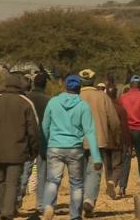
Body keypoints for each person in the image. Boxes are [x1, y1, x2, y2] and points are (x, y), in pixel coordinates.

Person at [42, 75, 102, 220]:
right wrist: (96, 156)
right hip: (75, 149)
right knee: (76, 183)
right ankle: (75, 215)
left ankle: (48, 206)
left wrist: (45, 144)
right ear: (79, 88)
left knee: (52, 180)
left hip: (55, 146)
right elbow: (90, 131)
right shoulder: (83, 106)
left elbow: (45, 125)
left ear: (65, 87)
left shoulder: (53, 102)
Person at [0, 73, 39, 220]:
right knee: (13, 182)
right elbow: (33, 130)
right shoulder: (25, 102)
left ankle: (1, 209)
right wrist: (34, 150)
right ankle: (7, 213)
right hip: (18, 150)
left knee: (1, 180)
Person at [78, 69, 120, 216]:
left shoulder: (75, 96)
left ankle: (79, 202)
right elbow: (114, 121)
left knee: (79, 173)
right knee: (94, 173)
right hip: (98, 141)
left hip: (77, 141)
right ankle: (89, 200)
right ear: (94, 80)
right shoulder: (102, 96)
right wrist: (115, 137)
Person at [19, 73, 51, 213]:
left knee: (25, 169)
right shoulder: (48, 100)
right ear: (45, 85)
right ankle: (41, 204)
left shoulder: (25, 99)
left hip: (26, 139)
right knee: (42, 172)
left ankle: (17, 200)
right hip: (43, 139)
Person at [119, 75, 140, 193]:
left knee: (126, 158)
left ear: (130, 85)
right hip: (139, 130)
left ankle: (122, 186)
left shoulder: (123, 97)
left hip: (126, 132)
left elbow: (120, 114)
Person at [106, 86, 131, 199]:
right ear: (116, 95)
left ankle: (109, 183)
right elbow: (125, 128)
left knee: (108, 166)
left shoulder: (104, 109)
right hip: (117, 141)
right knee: (119, 165)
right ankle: (113, 182)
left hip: (105, 141)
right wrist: (128, 143)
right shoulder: (121, 109)